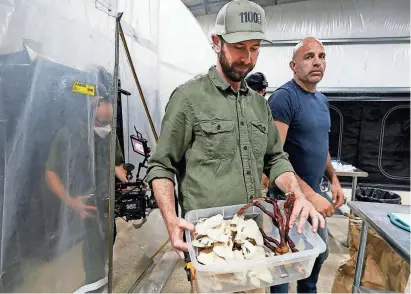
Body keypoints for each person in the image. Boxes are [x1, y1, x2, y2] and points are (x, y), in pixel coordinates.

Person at [145, 0, 325, 262]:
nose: (247, 58)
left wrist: (297, 194)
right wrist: (171, 221)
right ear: (216, 42)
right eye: (239, 47)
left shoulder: (259, 105)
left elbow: (275, 159)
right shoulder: (188, 99)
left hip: (251, 235)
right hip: (207, 241)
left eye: (255, 48)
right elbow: (161, 166)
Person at [268, 37, 345, 293]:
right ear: (293, 65)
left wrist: (334, 180)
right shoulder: (283, 98)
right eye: (309, 56)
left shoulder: (322, 101)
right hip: (286, 198)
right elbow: (274, 156)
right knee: (284, 266)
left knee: (317, 259)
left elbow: (321, 146)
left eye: (321, 56)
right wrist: (310, 196)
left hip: (315, 192)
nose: (317, 62)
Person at [45, 86, 127, 292]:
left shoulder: (110, 134)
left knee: (109, 243)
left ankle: (101, 280)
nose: (108, 109)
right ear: (88, 106)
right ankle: (93, 285)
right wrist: (72, 202)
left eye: (110, 103)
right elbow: (50, 173)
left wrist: (128, 183)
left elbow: (116, 165)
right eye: (101, 104)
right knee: (92, 252)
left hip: (108, 202)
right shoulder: (68, 135)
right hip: (85, 206)